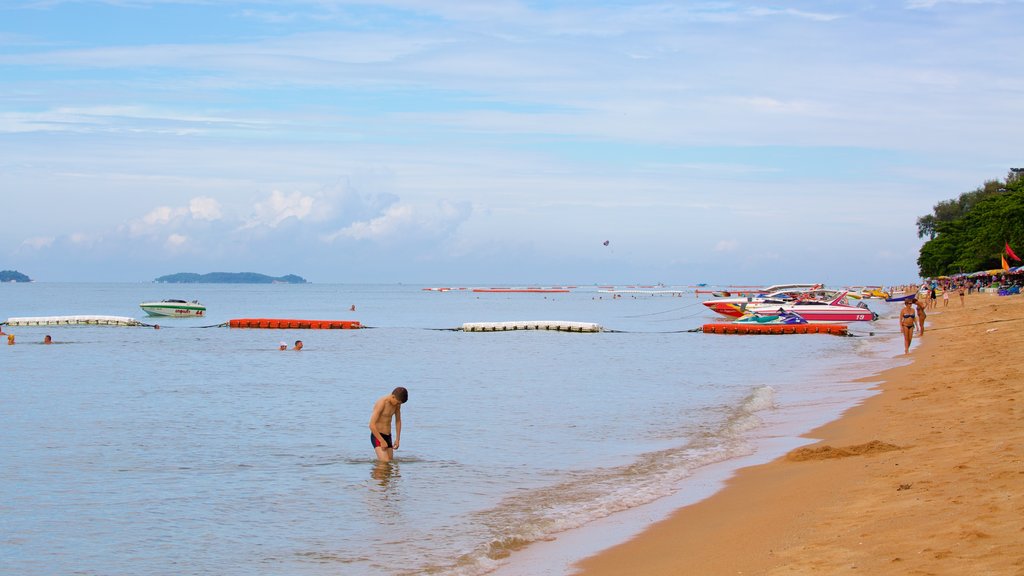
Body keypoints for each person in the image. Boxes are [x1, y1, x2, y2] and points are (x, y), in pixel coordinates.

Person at [369, 387, 408, 462]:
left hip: (388, 436)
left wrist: (397, 439)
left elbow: (398, 421)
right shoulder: (382, 403)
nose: (398, 404)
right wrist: (381, 441)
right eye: (398, 402)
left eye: (400, 403)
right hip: (378, 435)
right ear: (393, 396)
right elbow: (371, 425)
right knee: (385, 462)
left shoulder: (397, 405)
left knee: (389, 463)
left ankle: (376, 472)